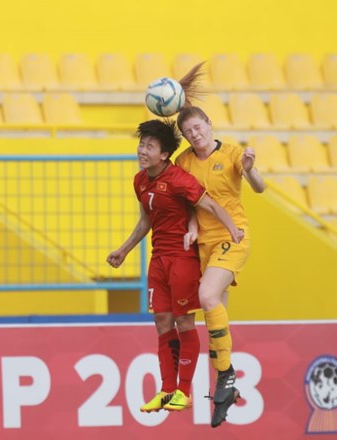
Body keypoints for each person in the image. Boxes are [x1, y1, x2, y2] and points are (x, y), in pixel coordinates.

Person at [107, 119, 243, 413]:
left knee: (184, 322)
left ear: (164, 154)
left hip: (182, 259)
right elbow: (146, 220)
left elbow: (210, 205)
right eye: (141, 144)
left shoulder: (180, 179)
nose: (142, 150)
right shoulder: (140, 180)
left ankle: (184, 391)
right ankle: (167, 390)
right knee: (161, 323)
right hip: (158, 260)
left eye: (149, 146)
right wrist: (123, 250)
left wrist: (232, 229)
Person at [175, 63, 267, 428]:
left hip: (234, 236)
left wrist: (251, 167)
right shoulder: (184, 161)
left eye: (198, 127)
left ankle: (227, 376)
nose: (195, 134)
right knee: (218, 316)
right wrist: (193, 227)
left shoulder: (231, 153)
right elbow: (189, 203)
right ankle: (223, 390)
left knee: (207, 297)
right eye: (188, 131)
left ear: (210, 125)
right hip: (205, 246)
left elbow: (258, 188)